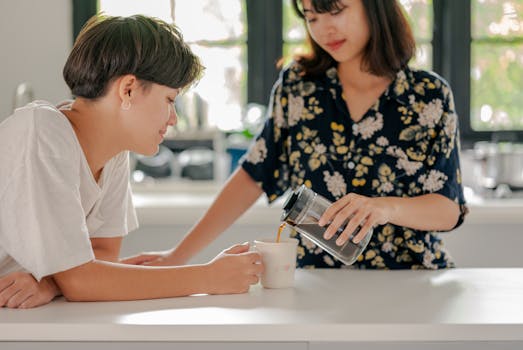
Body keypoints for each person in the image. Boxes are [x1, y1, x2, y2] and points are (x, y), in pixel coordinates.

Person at [124, 0, 468, 270]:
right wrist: (178, 255)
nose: (323, 28)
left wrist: (382, 208)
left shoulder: (428, 95)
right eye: (311, 16)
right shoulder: (299, 86)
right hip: (314, 280)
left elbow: (447, 209)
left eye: (335, 10)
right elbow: (253, 175)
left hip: (411, 280)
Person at [0, 14, 263, 309]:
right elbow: (80, 281)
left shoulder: (114, 153)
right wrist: (208, 277)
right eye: (169, 100)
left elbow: (101, 254)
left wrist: (50, 284)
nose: (174, 119)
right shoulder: (43, 132)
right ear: (128, 89)